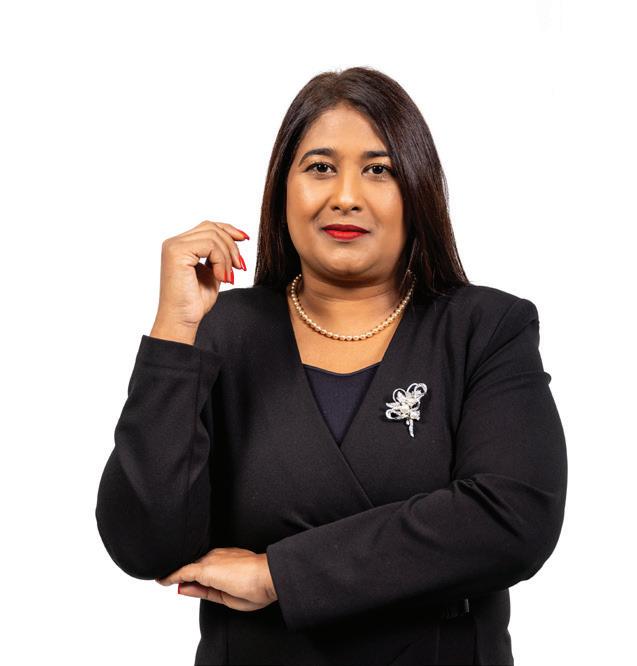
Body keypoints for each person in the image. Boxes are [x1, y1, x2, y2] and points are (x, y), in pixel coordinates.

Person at [95, 66, 568, 666]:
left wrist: (279, 576)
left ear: (417, 190)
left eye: (379, 170)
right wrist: (174, 331)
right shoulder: (220, 331)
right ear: (282, 190)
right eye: (320, 168)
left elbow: (512, 519)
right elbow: (147, 546)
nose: (345, 195)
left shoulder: (486, 329)